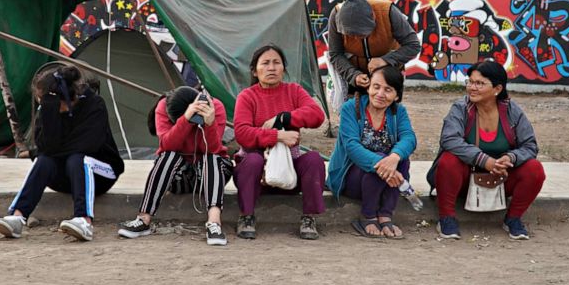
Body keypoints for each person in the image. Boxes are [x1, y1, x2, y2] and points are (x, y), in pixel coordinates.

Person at [0, 66, 125, 242]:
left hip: (101, 173)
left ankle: (84, 220)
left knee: (78, 158)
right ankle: (17, 216)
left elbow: (88, 145)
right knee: (44, 161)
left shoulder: (95, 105)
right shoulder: (49, 108)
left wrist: (45, 151)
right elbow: (44, 147)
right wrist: (50, 114)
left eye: (43, 100)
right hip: (66, 176)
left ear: (64, 99)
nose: (41, 103)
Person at [429, 60, 545, 241]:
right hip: (464, 179)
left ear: (497, 89)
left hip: (501, 178)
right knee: (448, 160)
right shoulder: (461, 108)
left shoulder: (512, 111)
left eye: (480, 83)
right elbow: (449, 140)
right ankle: (447, 218)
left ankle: (513, 219)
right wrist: (485, 161)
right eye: (470, 81)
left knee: (534, 169)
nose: (472, 87)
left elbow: (530, 146)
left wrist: (510, 158)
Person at [118, 86, 233, 246]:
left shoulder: (215, 107)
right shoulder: (163, 106)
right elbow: (167, 144)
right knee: (169, 155)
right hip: (179, 176)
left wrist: (209, 124)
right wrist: (185, 120)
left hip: (212, 174)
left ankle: (214, 223)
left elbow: (212, 148)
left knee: (212, 157)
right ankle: (143, 219)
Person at [233, 44, 327, 240]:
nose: (271, 68)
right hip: (258, 176)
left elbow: (317, 115)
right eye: (265, 63)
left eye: (277, 63)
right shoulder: (247, 96)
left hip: (289, 172)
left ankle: (309, 218)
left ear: (283, 68)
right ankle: (246, 216)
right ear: (254, 70)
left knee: (314, 159)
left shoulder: (293, 91)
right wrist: (277, 136)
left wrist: (283, 118)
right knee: (252, 160)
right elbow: (242, 133)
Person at [327, 66, 416, 239]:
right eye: (376, 87)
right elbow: (351, 146)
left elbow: (409, 138)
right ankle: (367, 216)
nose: (380, 94)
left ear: (396, 95)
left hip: (384, 179)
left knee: (402, 160)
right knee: (383, 161)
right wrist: (383, 163)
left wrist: (394, 157)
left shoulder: (398, 111)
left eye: (388, 90)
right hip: (350, 178)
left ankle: (385, 214)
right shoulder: (351, 108)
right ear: (368, 88)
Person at [327, 0, 420, 97]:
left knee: (386, 110)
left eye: (360, 34)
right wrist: (353, 76)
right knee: (350, 110)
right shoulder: (336, 15)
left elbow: (413, 45)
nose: (356, 39)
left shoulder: (388, 12)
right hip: (351, 73)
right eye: (350, 34)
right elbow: (335, 53)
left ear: (374, 18)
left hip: (387, 76)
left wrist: (385, 60)